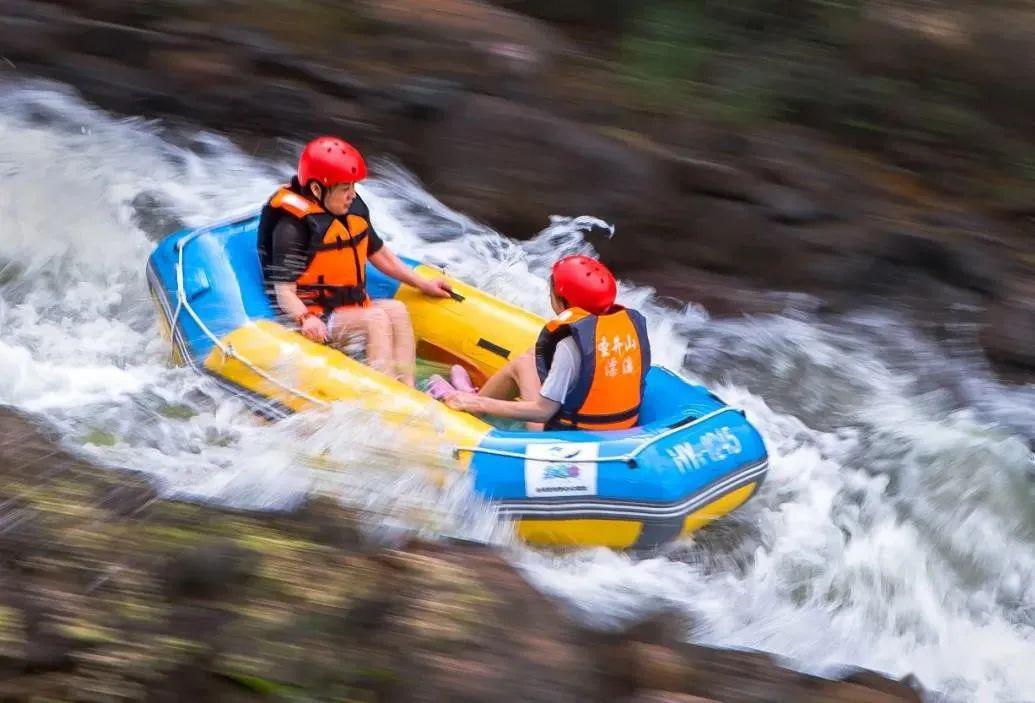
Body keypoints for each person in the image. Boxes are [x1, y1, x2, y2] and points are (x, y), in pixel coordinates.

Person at [257, 136, 452, 387]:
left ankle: (408, 389)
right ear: (317, 190)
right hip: (315, 316)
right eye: (344, 189)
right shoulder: (292, 228)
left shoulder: (351, 210)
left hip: (348, 309)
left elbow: (380, 254)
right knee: (376, 319)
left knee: (397, 310)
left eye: (353, 187)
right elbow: (284, 292)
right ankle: (384, 395)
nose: (352, 195)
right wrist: (305, 319)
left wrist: (423, 283)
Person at [429, 255, 651, 431]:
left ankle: (471, 404)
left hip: (568, 441)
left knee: (523, 363)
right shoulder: (627, 328)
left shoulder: (570, 346)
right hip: (621, 429)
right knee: (529, 358)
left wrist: (478, 404)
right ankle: (475, 397)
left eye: (551, 292)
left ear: (563, 302)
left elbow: (543, 412)